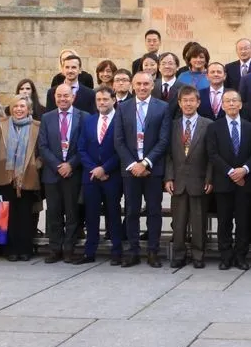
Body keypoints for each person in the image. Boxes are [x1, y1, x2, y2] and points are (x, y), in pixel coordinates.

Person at [115, 71, 172, 268]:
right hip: (130, 170)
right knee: (131, 211)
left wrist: (146, 163)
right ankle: (133, 251)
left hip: (153, 169)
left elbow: (164, 140)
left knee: (154, 211)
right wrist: (134, 165)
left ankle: (153, 252)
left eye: (146, 84)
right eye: (138, 84)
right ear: (132, 85)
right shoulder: (123, 108)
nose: (141, 87)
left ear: (152, 86)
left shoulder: (163, 107)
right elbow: (119, 140)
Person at [209, 90, 251, 270]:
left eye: (234, 101)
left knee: (243, 222)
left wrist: (244, 170)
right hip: (224, 182)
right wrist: (231, 172)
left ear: (240, 104)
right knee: (224, 222)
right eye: (227, 101)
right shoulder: (214, 127)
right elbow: (213, 154)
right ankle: (226, 256)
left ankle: (241, 256)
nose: (231, 104)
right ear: (222, 105)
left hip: (245, 182)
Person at [0, 94, 41, 262]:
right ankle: (10, 250)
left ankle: (25, 249)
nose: (19, 109)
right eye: (16, 106)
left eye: (22, 106)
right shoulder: (1, 126)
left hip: (28, 177)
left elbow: (42, 151)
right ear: (11, 108)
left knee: (25, 215)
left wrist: (36, 166)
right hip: (5, 176)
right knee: (9, 216)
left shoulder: (37, 127)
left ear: (29, 109)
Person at [164, 86, 214, 269]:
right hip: (177, 181)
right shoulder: (173, 125)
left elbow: (211, 156)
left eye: (191, 100)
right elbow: (168, 154)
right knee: (178, 222)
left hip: (199, 180)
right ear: (179, 103)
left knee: (199, 221)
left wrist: (209, 179)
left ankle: (198, 255)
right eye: (184, 101)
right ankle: (178, 255)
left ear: (198, 102)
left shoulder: (208, 125)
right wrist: (168, 177)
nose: (188, 104)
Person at [38, 84, 88, 263]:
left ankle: (69, 249)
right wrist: (58, 165)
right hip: (52, 174)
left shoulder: (84, 117)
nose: (62, 99)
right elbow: (42, 146)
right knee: (53, 213)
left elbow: (85, 145)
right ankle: (55, 249)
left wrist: (71, 165)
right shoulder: (47, 118)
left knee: (73, 213)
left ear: (73, 97)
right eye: (59, 96)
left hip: (73, 174)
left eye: (66, 96)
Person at [76, 87, 123, 264]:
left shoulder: (121, 120)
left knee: (113, 213)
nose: (102, 103)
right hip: (91, 176)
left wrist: (105, 169)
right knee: (91, 214)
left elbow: (122, 149)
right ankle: (90, 252)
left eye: (105, 99)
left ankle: (116, 252)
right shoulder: (89, 120)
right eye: (99, 100)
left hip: (112, 176)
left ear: (113, 100)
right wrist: (94, 169)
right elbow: (81, 148)